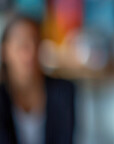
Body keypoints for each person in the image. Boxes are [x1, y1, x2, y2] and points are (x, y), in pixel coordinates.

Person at [0, 15, 75, 144]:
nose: (31, 53)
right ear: (5, 51)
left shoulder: (63, 92)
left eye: (36, 42)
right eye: (22, 45)